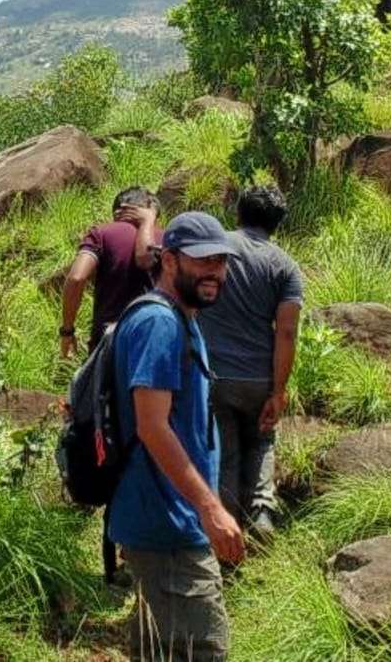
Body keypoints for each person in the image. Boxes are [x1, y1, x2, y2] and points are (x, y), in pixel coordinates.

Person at [111, 211, 245, 662]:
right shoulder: (159, 324)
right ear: (169, 260)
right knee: (204, 650)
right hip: (167, 525)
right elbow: (152, 426)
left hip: (169, 518)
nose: (215, 272)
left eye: (221, 261)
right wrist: (209, 507)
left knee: (159, 649)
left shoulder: (180, 318)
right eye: (203, 261)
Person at [194, 186, 303, 541]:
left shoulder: (214, 251)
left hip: (213, 373)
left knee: (223, 450)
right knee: (262, 440)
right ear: (276, 225)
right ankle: (261, 512)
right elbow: (286, 332)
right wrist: (279, 390)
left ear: (238, 213)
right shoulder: (285, 265)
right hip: (258, 375)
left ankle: (225, 530)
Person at [60, 187, 161, 357]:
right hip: (157, 337)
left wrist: (67, 331)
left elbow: (77, 278)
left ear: (117, 212)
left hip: (110, 342)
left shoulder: (102, 233)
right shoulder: (168, 239)